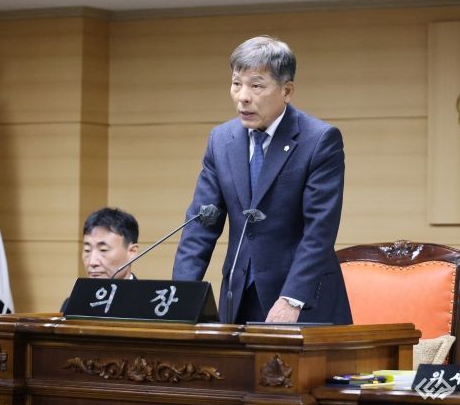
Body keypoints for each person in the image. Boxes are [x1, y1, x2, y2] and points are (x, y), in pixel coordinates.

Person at [172, 36, 352, 325]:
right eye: (236, 84)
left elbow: (319, 230)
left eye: (256, 86)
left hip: (302, 300)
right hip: (239, 297)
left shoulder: (319, 140)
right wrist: (179, 297)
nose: (243, 96)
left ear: (287, 90)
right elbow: (201, 225)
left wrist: (292, 298)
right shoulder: (221, 140)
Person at [60, 207, 139, 312]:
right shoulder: (72, 304)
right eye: (87, 250)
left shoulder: (149, 303)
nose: (92, 262)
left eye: (103, 250)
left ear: (132, 252)